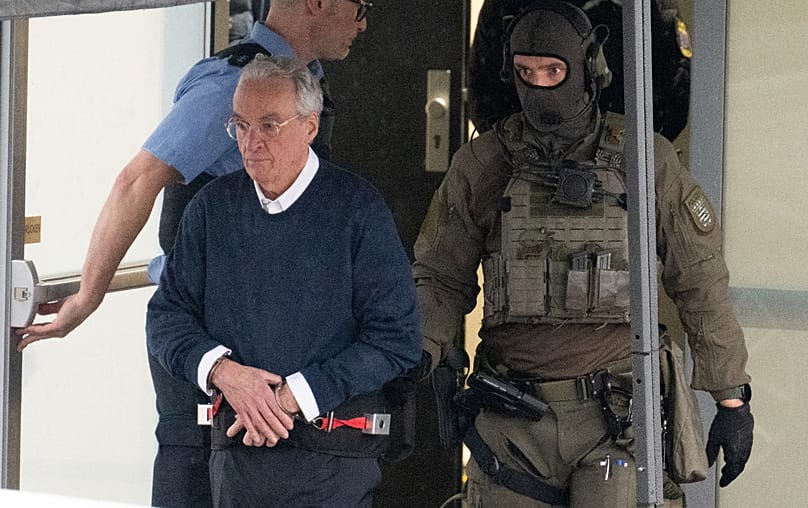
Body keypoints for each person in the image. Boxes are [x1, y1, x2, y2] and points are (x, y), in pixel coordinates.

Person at [16, 1, 373, 506]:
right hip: (203, 336)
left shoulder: (300, 78)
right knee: (192, 485)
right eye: (360, 6)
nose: (363, 22)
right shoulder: (231, 85)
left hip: (262, 331)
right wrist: (86, 298)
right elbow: (137, 180)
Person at [413, 2, 753, 506]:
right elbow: (441, 277)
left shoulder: (643, 159)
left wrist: (731, 397)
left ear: (589, 67)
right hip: (512, 419)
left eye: (554, 71)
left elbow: (699, 278)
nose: (540, 87)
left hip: (615, 415)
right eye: (526, 72)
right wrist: (419, 353)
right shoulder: (484, 164)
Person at [146, 54, 422, 507]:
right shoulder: (211, 209)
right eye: (240, 125)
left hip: (335, 457)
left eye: (269, 125)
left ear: (310, 127)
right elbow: (166, 319)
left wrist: (294, 396)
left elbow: (397, 340)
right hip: (235, 454)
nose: (251, 142)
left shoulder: (358, 210)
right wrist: (225, 374)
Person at [468, 0, 692, 141]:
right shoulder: (505, 6)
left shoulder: (646, 6)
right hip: (523, 163)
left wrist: (624, 157)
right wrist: (517, 151)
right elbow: (484, 94)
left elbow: (674, 98)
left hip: (621, 168)